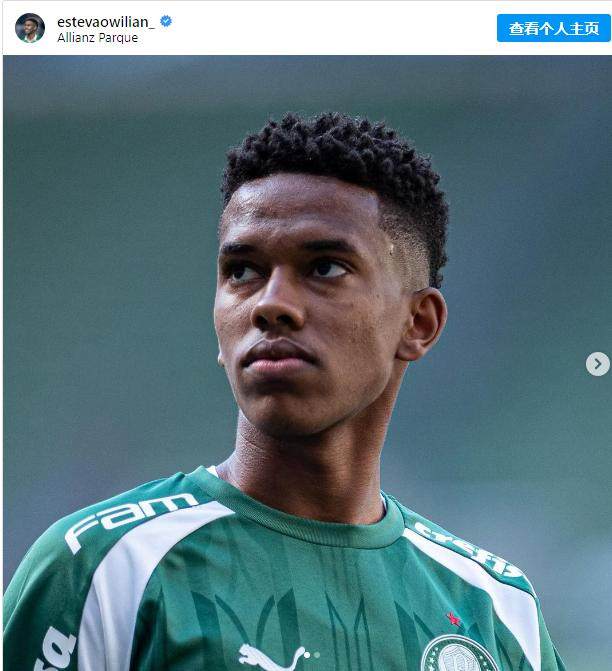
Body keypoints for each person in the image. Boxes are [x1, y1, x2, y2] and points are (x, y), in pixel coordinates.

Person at [3, 112, 565, 670]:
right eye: (242, 271)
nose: (270, 304)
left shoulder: (497, 611)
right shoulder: (102, 570)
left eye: (325, 268)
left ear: (417, 323)